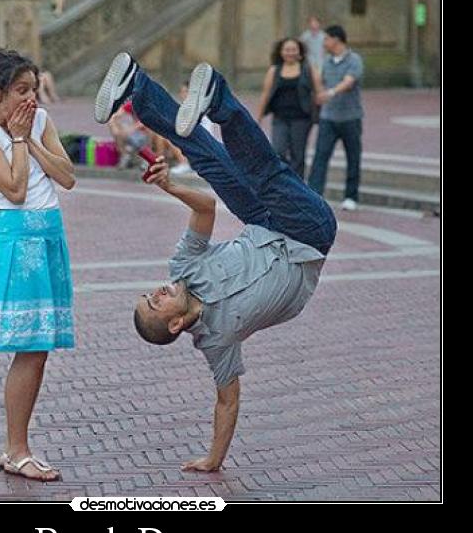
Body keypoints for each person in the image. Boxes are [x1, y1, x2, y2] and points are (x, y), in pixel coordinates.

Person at [94, 52, 337, 472]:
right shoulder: (218, 341)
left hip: (262, 223)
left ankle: (138, 87)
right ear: (175, 324)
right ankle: (219, 97)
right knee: (264, 173)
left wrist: (170, 187)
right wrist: (213, 460)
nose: (156, 291)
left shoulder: (183, 269)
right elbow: (227, 400)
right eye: (155, 302)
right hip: (308, 236)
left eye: (147, 294)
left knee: (209, 159)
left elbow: (205, 208)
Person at [0, 45, 76, 481]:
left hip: (49, 235)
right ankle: (16, 449)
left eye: (34, 88)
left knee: (39, 350)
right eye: (20, 90)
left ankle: (17, 448)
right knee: (29, 350)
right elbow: (13, 190)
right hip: (16, 240)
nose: (31, 98)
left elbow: (67, 176)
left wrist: (29, 138)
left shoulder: (39, 122)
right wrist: (16, 140)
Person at [307, 25, 364, 212]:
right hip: (328, 118)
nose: (324, 43)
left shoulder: (354, 60)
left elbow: (349, 82)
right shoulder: (327, 62)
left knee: (353, 156)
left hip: (350, 117)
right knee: (320, 157)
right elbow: (320, 84)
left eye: (326, 39)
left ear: (337, 39)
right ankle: (315, 195)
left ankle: (350, 196)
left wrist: (329, 93)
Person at [255, 38, 321, 179]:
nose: (290, 53)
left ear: (299, 52)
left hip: (302, 119)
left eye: (293, 49)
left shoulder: (308, 69)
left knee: (298, 154)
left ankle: (298, 187)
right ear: (281, 52)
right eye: (287, 49)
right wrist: (258, 117)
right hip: (280, 118)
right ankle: (284, 182)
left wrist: (321, 112)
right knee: (278, 150)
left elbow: (319, 92)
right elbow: (265, 94)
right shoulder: (274, 70)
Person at [108, 99, 150, 169]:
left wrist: (130, 129)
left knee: (150, 130)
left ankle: (146, 159)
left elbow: (146, 122)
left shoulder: (149, 105)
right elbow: (116, 116)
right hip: (136, 132)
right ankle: (125, 155)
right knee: (117, 127)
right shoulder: (132, 104)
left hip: (149, 132)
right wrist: (113, 126)